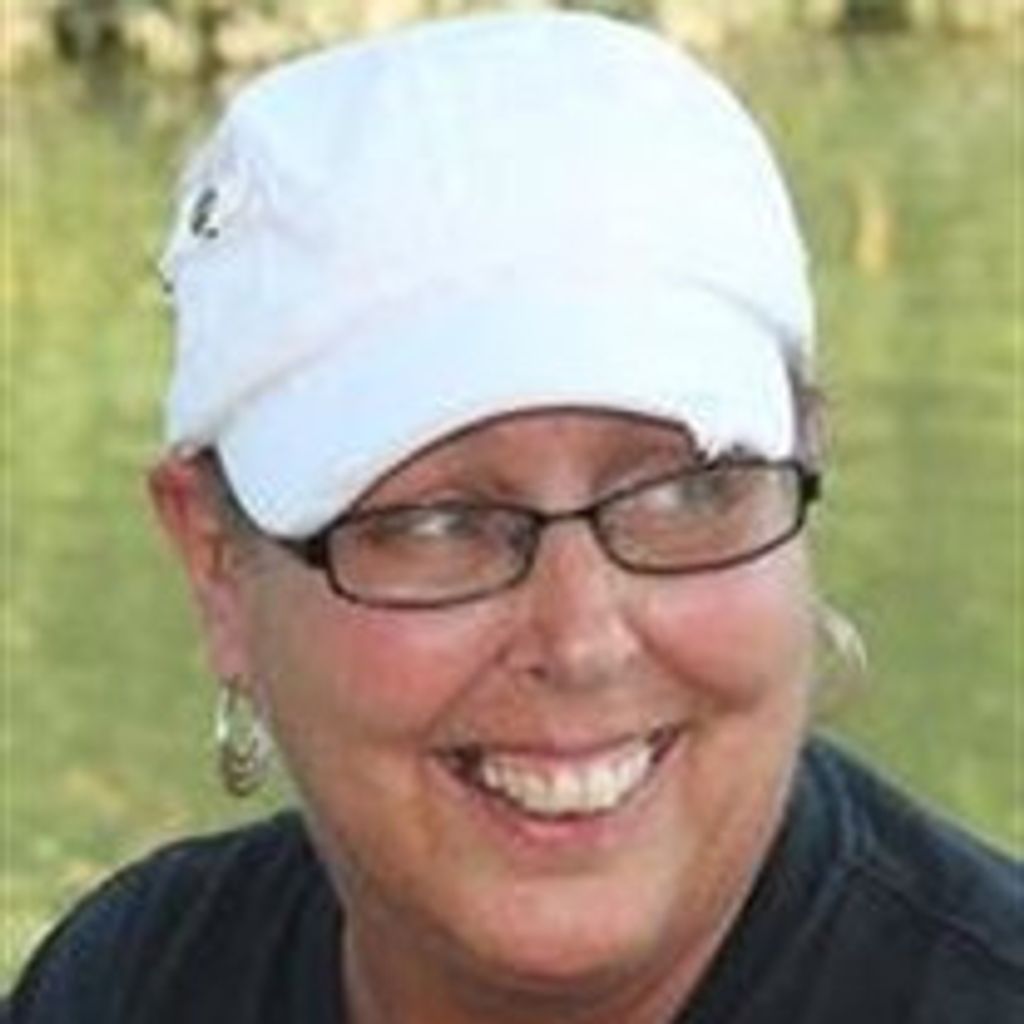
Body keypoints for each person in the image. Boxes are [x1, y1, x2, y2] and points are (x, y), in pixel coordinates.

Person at [6, 11, 1021, 1024]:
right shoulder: (130, 983)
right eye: (437, 522)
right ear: (218, 565)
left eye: (683, 494)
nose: (581, 641)